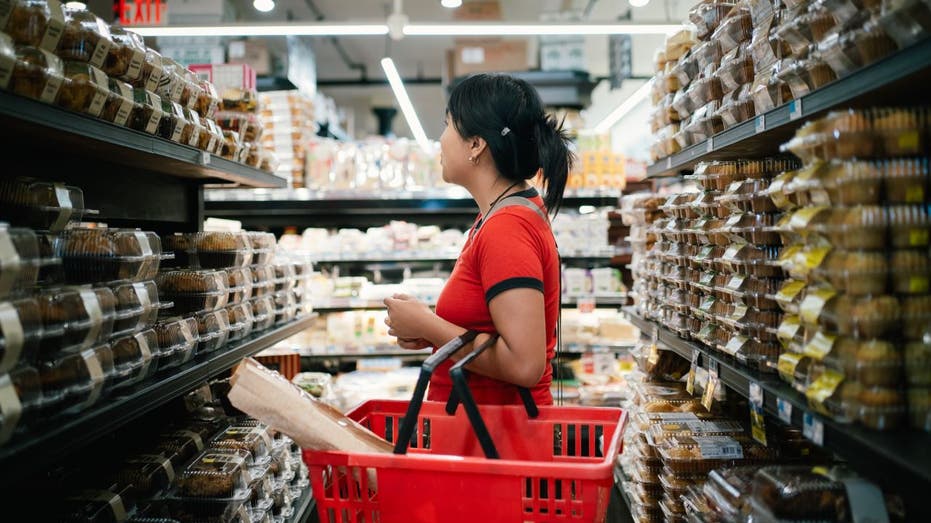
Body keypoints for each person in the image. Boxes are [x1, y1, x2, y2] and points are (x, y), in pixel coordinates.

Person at [383, 73, 573, 406]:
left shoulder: (507, 227)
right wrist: (430, 329)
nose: (440, 139)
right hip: (487, 437)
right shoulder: (499, 215)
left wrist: (428, 324)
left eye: (447, 125)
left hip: (497, 440)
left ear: (476, 144)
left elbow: (525, 364)